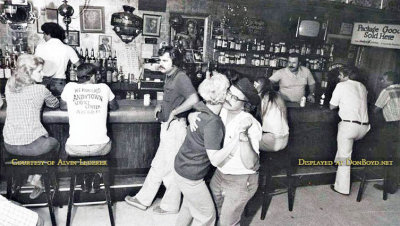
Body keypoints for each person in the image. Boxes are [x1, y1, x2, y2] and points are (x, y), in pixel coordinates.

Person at [125, 46, 199, 214]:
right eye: (160, 60)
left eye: (165, 60)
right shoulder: (170, 76)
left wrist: (174, 111)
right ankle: (143, 200)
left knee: (171, 168)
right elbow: (172, 98)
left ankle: (170, 206)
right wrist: (161, 106)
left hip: (176, 127)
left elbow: (194, 99)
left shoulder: (181, 77)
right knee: (158, 165)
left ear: (175, 61)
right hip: (167, 126)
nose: (161, 63)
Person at [189, 77, 262, 226]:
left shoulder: (251, 124)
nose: (228, 98)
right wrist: (192, 116)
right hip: (220, 174)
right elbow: (198, 108)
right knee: (211, 213)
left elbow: (250, 164)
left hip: (241, 179)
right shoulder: (221, 110)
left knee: (228, 222)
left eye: (235, 98)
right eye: (229, 92)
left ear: (245, 104)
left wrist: (242, 136)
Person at [174, 72, 234, 226]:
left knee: (188, 207)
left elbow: (195, 107)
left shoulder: (202, 107)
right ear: (223, 95)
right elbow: (214, 159)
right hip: (191, 176)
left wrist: (190, 116)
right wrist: (236, 142)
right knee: (207, 216)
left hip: (181, 167)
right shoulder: (213, 123)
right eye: (228, 90)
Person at [2, 54, 60, 199]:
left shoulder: (9, 85)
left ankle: (21, 180)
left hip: (9, 145)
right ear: (28, 73)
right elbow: (54, 104)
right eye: (39, 71)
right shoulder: (40, 90)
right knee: (56, 143)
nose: (43, 74)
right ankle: (37, 177)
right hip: (33, 147)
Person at [60, 63, 119, 193]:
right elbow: (114, 107)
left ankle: (83, 175)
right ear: (92, 77)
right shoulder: (104, 88)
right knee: (107, 142)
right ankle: (97, 174)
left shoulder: (69, 87)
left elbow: (63, 106)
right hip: (101, 148)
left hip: (75, 148)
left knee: (77, 151)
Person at [329, 66, 370, 195]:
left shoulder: (341, 86)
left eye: (339, 75)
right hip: (364, 128)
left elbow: (332, 106)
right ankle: (337, 166)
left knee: (345, 157)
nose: (338, 78)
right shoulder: (362, 87)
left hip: (349, 127)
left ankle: (341, 188)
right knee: (343, 149)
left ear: (343, 75)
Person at [372, 71, 400, 194]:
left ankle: (388, 185)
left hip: (393, 126)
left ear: (390, 81)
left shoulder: (387, 91)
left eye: (383, 80)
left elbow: (376, 109)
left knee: (389, 154)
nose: (381, 82)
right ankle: (394, 183)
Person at [35, 22, 81, 96]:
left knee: (42, 106)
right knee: (60, 105)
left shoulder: (40, 47)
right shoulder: (68, 48)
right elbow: (80, 66)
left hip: (42, 81)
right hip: (59, 82)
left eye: (44, 34)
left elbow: (34, 65)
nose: (43, 37)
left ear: (49, 34)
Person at [254, 77, 289, 152]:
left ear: (261, 86)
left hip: (271, 141)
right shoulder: (277, 95)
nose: (254, 86)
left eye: (256, 84)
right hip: (285, 139)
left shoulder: (262, 97)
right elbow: (284, 113)